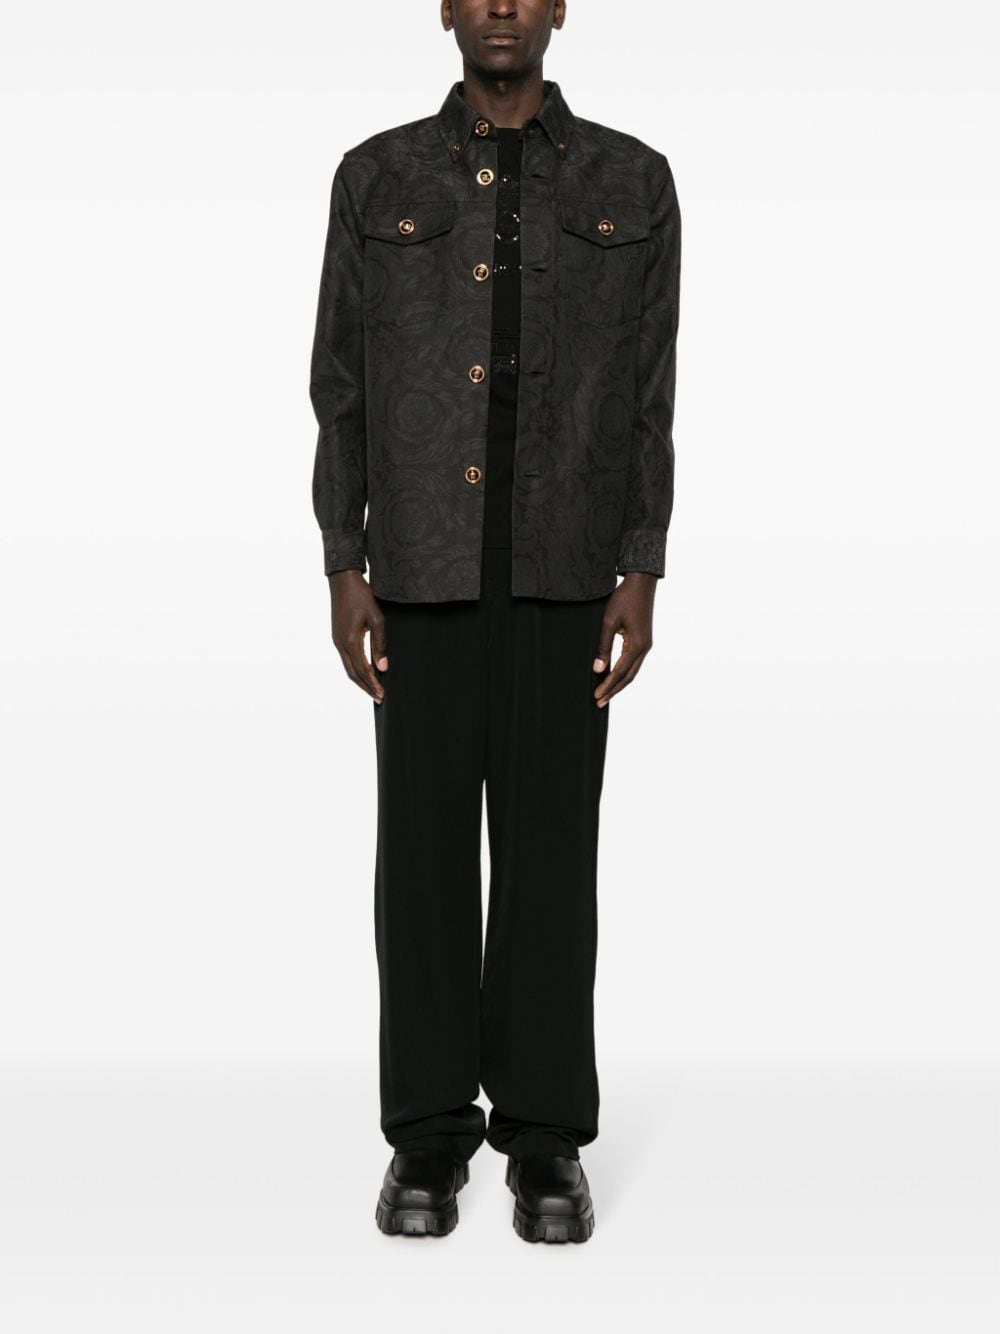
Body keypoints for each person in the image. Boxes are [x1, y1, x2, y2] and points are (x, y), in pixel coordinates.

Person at [309, 0, 681, 1244]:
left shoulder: (633, 180)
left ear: (560, 6)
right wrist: (344, 559)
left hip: (566, 570)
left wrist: (640, 564)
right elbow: (339, 384)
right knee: (418, 866)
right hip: (418, 570)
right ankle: (425, 1134)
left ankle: (544, 1134)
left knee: (549, 866)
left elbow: (650, 391)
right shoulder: (376, 177)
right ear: (448, 9)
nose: (503, 7)